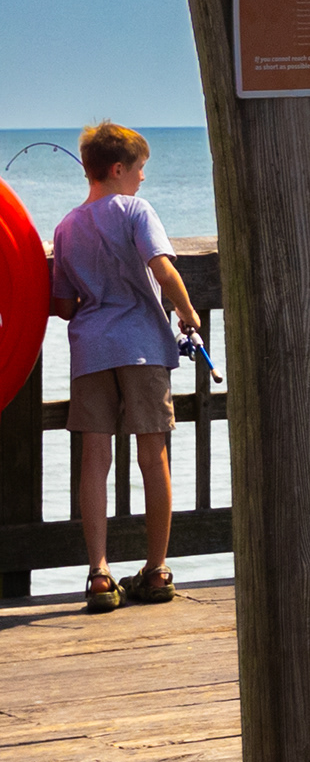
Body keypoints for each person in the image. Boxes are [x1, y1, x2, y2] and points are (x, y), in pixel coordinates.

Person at [50, 122, 200, 613]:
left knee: (95, 459)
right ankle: (156, 570)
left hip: (91, 351)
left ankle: (98, 574)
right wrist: (188, 313)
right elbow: (162, 267)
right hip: (141, 347)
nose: (142, 179)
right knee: (152, 456)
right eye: (139, 170)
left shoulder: (67, 226)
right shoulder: (136, 210)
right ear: (118, 169)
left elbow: (65, 304)